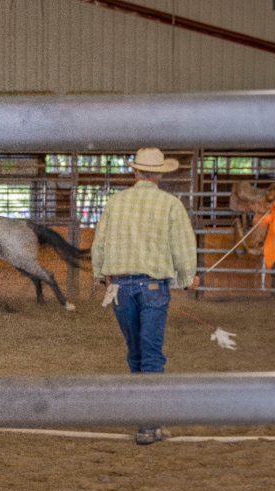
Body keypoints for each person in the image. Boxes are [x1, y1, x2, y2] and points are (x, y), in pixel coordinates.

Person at [91, 148, 200, 445]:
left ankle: (145, 421)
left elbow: (99, 244)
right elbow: (182, 246)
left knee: (135, 353)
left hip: (120, 289)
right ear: (159, 175)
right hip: (153, 287)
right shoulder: (170, 204)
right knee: (152, 355)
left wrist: (101, 276)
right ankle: (149, 425)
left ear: (136, 172)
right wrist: (187, 278)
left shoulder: (115, 203)